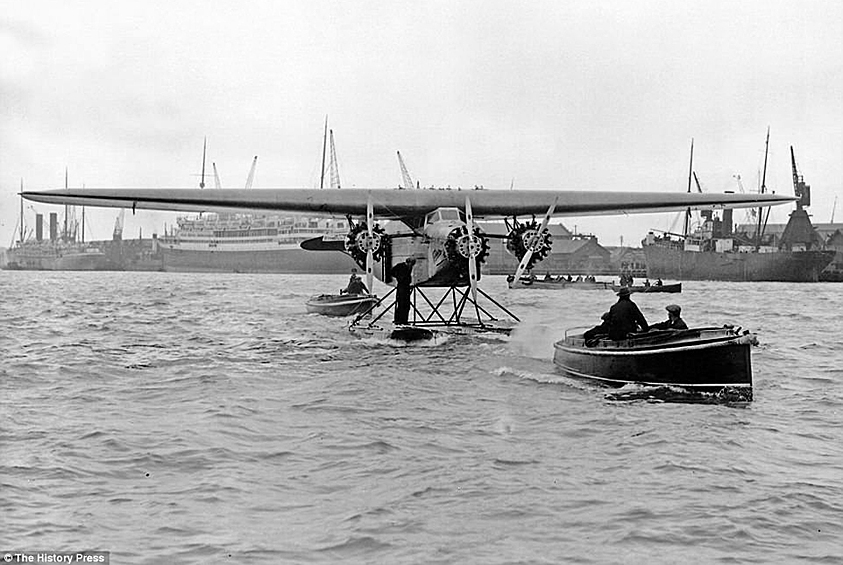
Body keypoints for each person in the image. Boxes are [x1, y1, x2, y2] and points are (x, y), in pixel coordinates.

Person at [391, 257, 416, 324]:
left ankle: (404, 320)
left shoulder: (409, 267)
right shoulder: (400, 266)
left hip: (406, 286)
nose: (412, 265)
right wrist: (399, 277)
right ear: (408, 262)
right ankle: (399, 320)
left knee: (406, 305)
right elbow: (392, 272)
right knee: (401, 303)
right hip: (401, 286)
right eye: (411, 264)